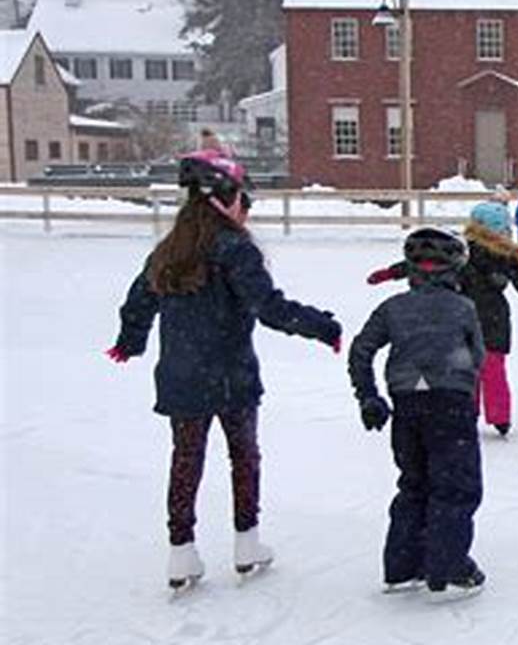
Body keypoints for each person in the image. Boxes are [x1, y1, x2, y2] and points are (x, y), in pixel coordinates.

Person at [107, 149, 342, 590]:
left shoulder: (168, 250)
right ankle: (246, 541)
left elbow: (139, 300)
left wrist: (130, 343)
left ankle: (181, 552)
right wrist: (321, 326)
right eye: (244, 199)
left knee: (186, 458)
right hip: (231, 376)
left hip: (182, 374)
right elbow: (268, 307)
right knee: (244, 457)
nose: (246, 209)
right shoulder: (235, 249)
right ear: (225, 198)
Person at [348, 227, 488, 599]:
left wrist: (369, 396)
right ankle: (447, 568)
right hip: (451, 403)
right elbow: (478, 355)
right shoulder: (463, 308)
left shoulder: (392, 308)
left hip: (406, 404)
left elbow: (361, 350)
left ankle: (402, 566)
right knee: (455, 485)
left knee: (414, 482)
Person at [367, 202, 518, 436]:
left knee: (468, 367)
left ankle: (470, 411)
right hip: (489, 319)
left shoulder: (464, 252)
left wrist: (390, 273)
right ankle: (498, 416)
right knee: (491, 368)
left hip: (462, 317)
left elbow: (426, 263)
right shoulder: (499, 256)